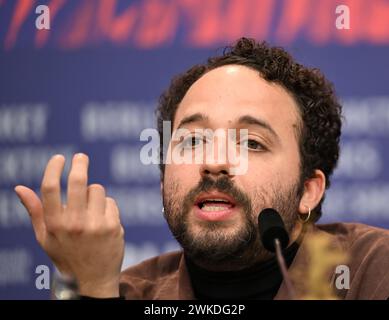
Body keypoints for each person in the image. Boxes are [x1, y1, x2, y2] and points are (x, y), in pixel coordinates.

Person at [15, 38, 389, 300]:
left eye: (251, 143)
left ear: (309, 190)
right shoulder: (123, 292)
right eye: (192, 141)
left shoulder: (372, 270)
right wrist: (87, 287)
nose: (213, 163)